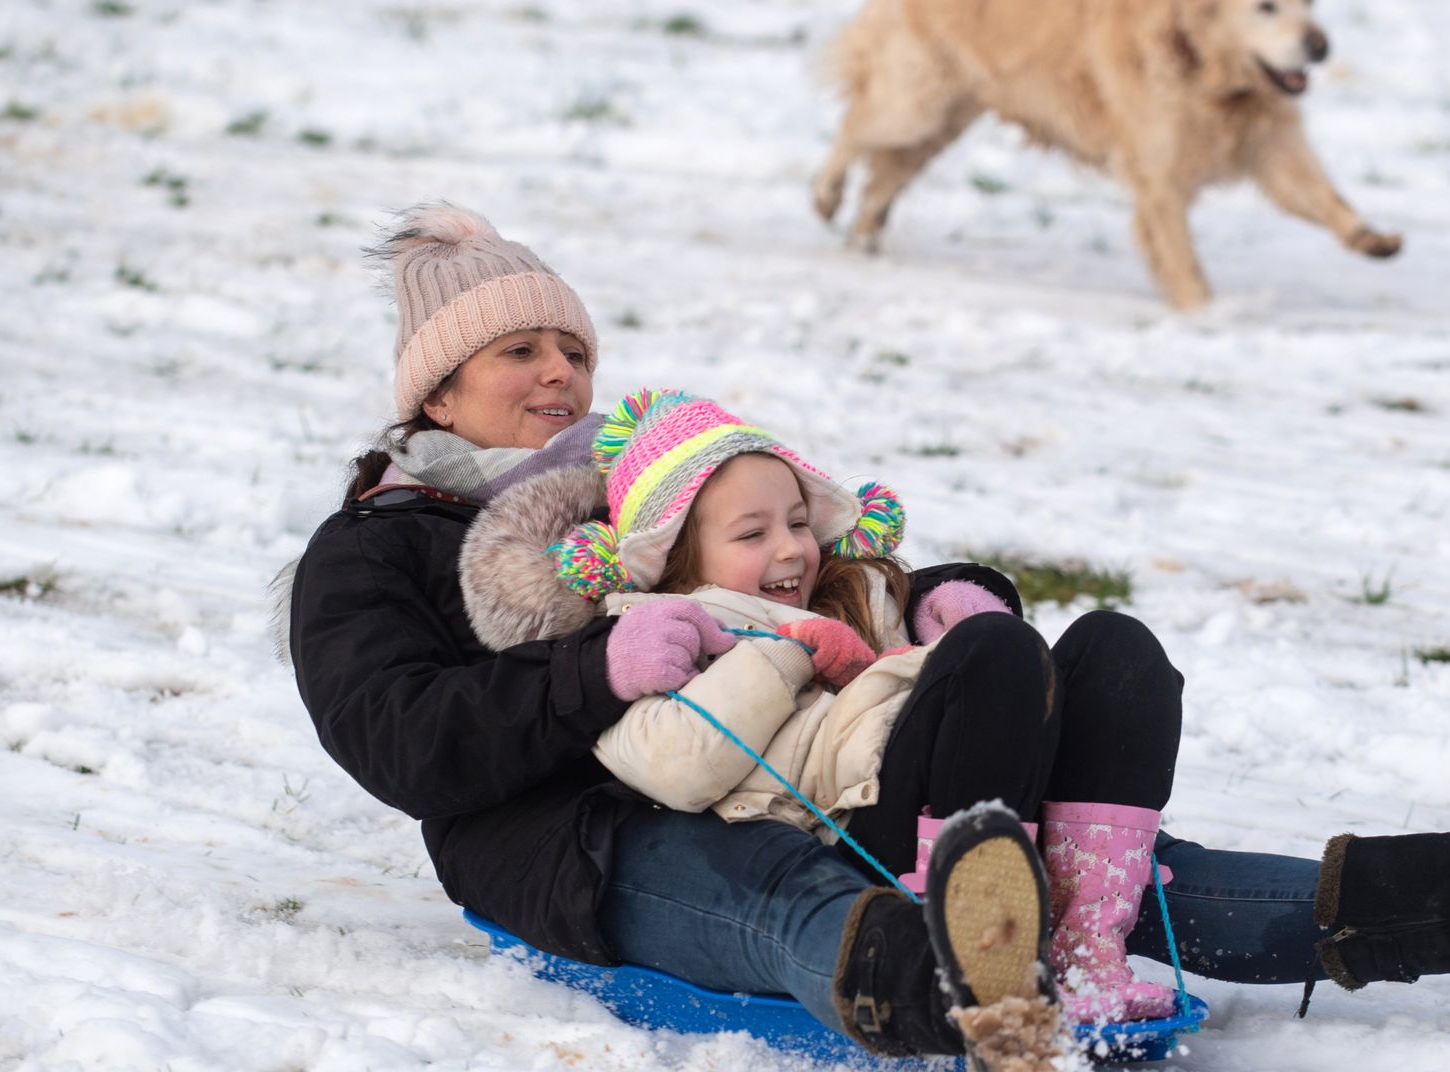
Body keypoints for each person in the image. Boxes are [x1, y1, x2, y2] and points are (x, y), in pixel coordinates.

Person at [282, 202, 1450, 1068]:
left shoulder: (634, 475)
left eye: (571, 349)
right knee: (805, 905)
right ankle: (956, 994)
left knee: (1115, 874)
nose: (558, 375)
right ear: (436, 388)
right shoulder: (372, 551)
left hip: (815, 750)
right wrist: (591, 670)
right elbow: (402, 743)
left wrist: (952, 592)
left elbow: (801, 552)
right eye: (520, 354)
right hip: (587, 835)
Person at [458, 384, 1181, 1023]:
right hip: (854, 837)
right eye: (753, 532)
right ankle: (970, 945)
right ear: (675, 556)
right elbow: (675, 768)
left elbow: (936, 673)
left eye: (799, 522)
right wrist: (787, 651)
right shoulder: (657, 640)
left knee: (1114, 648)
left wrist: (940, 619)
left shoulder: (854, 599)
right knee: (997, 652)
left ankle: (1088, 950)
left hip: (951, 792)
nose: (792, 548)